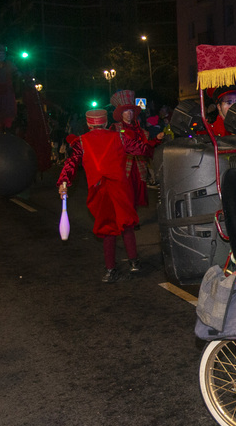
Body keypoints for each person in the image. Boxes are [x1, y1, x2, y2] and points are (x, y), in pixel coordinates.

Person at [58, 108, 156, 283]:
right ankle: (134, 263)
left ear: (89, 124)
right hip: (120, 187)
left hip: (99, 190)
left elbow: (71, 162)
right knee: (127, 224)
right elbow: (141, 149)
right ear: (105, 123)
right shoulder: (118, 137)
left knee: (107, 227)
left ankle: (110, 270)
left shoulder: (82, 141)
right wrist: (156, 145)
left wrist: (64, 181)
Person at [111, 90, 160, 208]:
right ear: (121, 113)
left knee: (137, 194)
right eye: (126, 111)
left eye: (131, 111)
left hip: (138, 166)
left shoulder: (140, 130)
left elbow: (146, 146)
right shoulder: (115, 128)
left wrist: (157, 139)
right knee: (125, 193)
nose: (129, 113)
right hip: (123, 165)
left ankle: (133, 217)